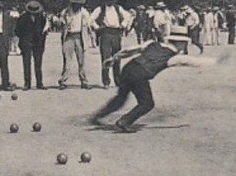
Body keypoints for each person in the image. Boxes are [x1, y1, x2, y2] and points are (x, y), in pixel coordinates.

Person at [88, 35, 216, 132]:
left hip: (128, 68)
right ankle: (124, 121)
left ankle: (98, 116)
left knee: (121, 97)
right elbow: (192, 62)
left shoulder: (152, 43)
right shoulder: (173, 56)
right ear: (180, 43)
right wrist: (216, 61)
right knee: (147, 103)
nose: (185, 47)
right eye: (185, 44)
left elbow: (131, 49)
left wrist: (115, 58)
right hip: (140, 75)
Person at [92, 0, 132, 88]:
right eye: (108, 0)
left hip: (116, 33)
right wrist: (96, 27)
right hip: (105, 33)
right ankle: (106, 82)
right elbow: (90, 19)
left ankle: (118, 81)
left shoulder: (118, 8)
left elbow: (128, 16)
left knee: (117, 57)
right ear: (105, 0)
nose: (110, 1)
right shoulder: (100, 9)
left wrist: (123, 25)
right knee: (106, 58)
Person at [58, 0, 95, 89]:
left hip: (80, 36)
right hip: (69, 37)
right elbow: (59, 20)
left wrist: (91, 38)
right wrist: (62, 22)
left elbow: (89, 25)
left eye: (78, 4)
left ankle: (84, 81)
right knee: (67, 60)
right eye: (75, 3)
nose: (76, 5)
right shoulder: (66, 11)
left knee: (81, 60)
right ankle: (63, 80)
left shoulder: (84, 12)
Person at [14, 0, 49, 90]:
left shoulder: (41, 18)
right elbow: (17, 30)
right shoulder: (22, 18)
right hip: (26, 43)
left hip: (38, 43)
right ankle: (27, 84)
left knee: (38, 64)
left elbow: (44, 30)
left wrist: (41, 39)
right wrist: (23, 39)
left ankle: (39, 83)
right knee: (26, 63)